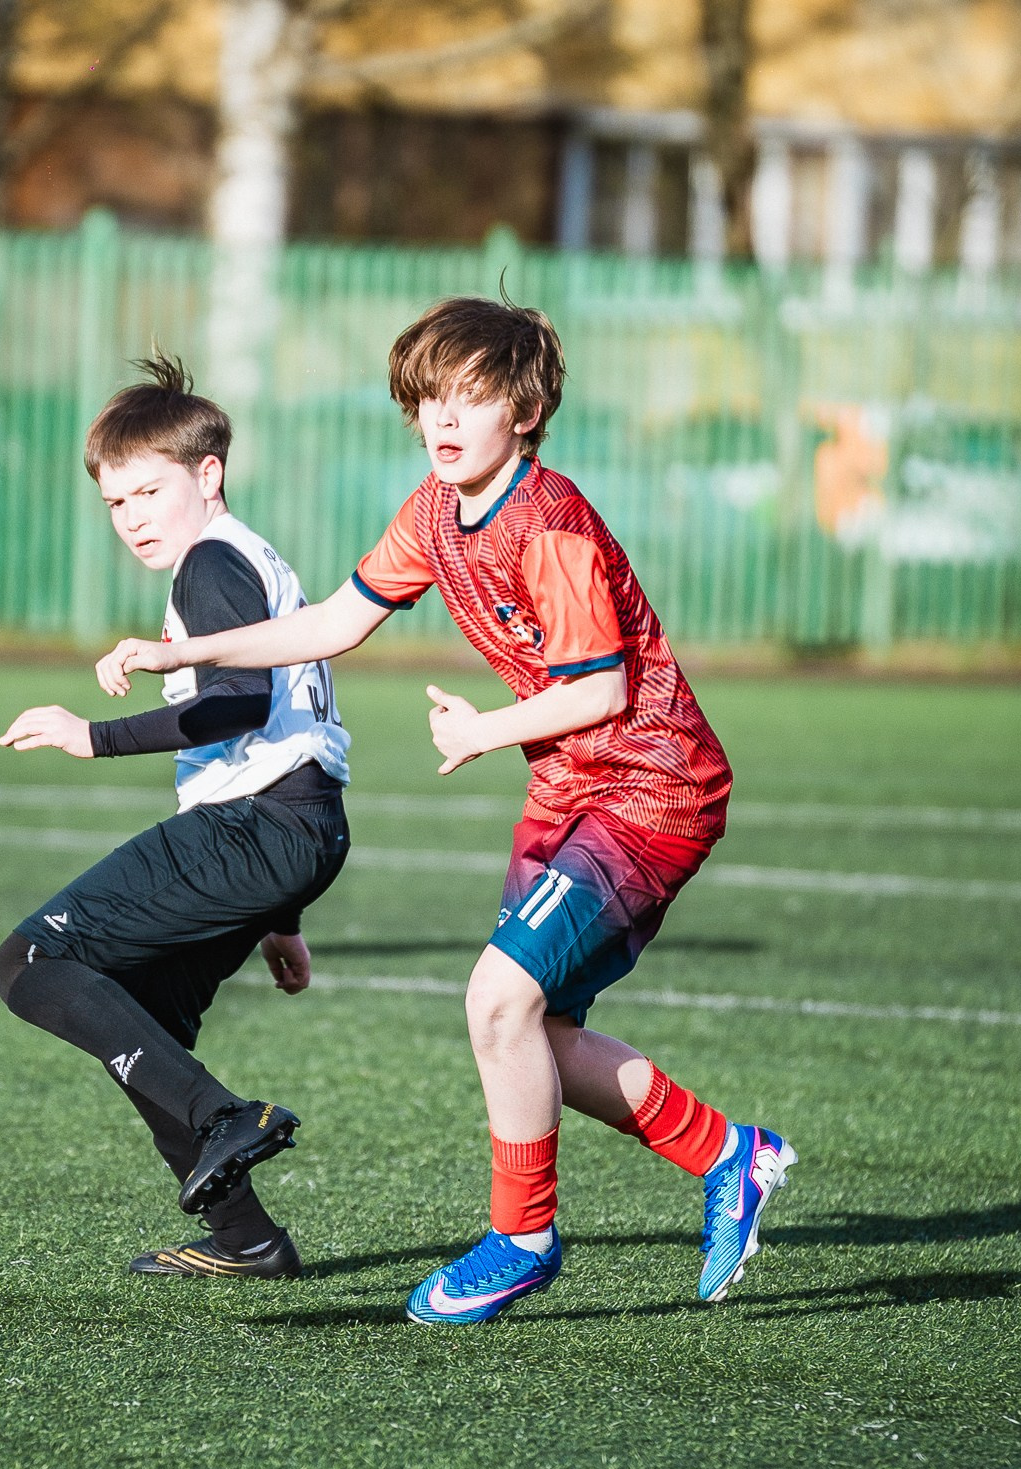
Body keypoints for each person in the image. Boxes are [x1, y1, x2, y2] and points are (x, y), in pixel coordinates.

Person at [96, 298, 795, 1322]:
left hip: (652, 786)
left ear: (525, 408)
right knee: (538, 1033)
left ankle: (521, 1238)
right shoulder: (434, 511)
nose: (445, 419)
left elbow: (601, 693)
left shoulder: (549, 522)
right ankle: (731, 1156)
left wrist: (482, 731)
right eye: (429, 398)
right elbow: (331, 623)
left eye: (470, 397)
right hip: (569, 790)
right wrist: (185, 651)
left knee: (494, 1002)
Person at [0, 355, 351, 1279]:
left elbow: (235, 703)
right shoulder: (245, 554)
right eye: (117, 503)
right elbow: (281, 723)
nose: (136, 517)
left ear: (209, 474)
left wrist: (94, 735)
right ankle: (248, 1240)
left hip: (257, 829)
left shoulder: (209, 565)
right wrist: (282, 917)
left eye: (151, 490)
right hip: (295, 831)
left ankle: (225, 1119)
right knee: (145, 1024)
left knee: (29, 963)